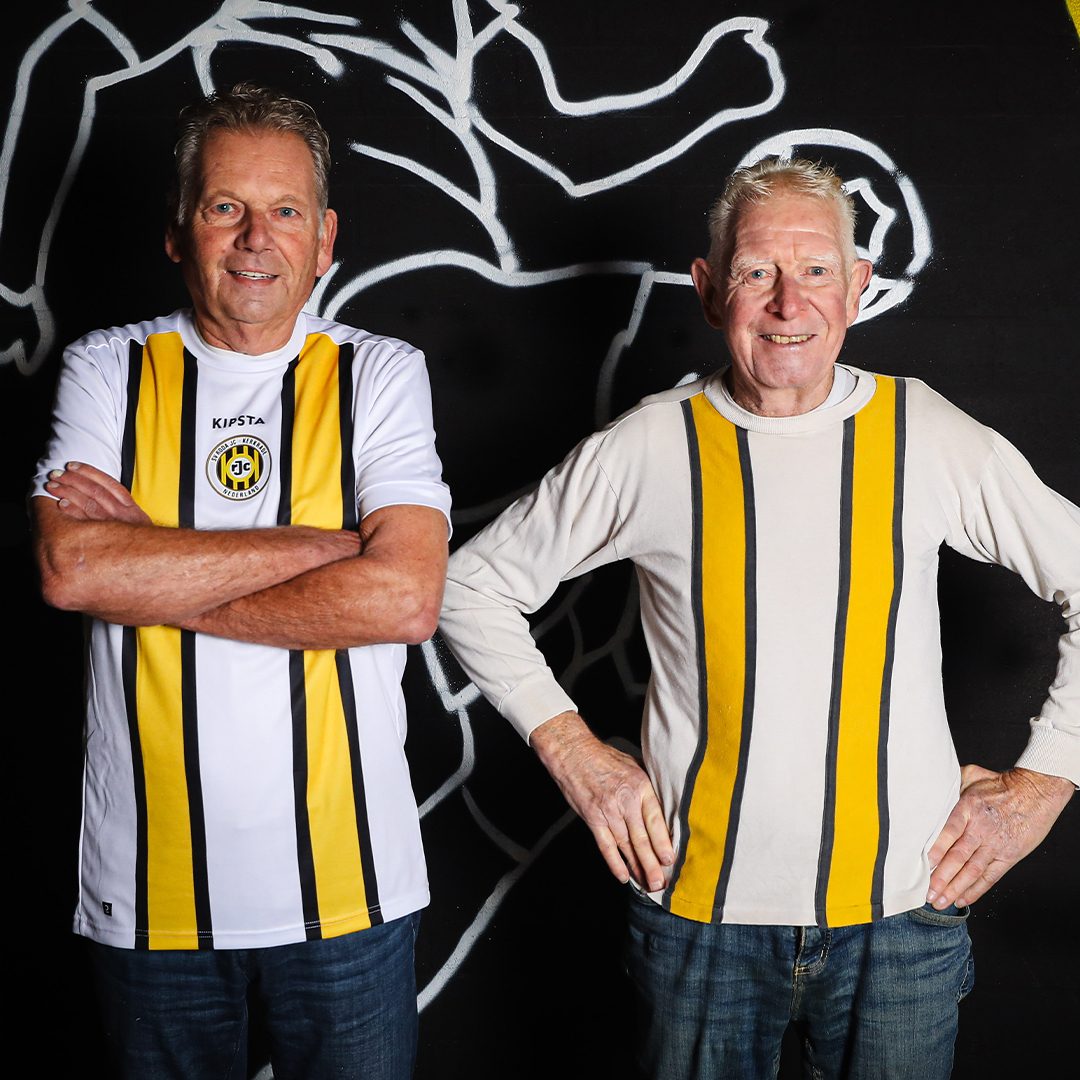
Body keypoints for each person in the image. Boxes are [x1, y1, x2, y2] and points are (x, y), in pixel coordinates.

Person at [437, 157, 1079, 1079]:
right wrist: (576, 754)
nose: (788, 301)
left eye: (816, 270)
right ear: (709, 290)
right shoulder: (652, 443)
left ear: (857, 287)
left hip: (901, 920)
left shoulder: (925, 432)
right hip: (698, 920)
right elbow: (469, 588)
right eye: (756, 272)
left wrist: (1045, 781)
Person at [32, 84, 450, 1080]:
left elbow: (404, 599)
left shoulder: (381, 373)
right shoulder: (106, 369)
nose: (256, 238)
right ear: (179, 230)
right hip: (148, 891)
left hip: (350, 890)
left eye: (286, 211)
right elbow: (71, 569)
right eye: (225, 206)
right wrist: (329, 548)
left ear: (325, 239)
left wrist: (153, 561)